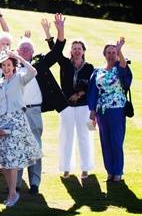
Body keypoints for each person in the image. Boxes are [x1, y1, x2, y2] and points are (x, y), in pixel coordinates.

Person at [15, 18, 66, 195]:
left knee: (35, 146)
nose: (25, 51)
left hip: (34, 111)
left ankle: (35, 183)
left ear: (33, 52)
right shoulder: (11, 67)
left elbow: (58, 50)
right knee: (19, 146)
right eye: (22, 49)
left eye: (28, 49)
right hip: (17, 113)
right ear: (17, 51)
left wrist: (59, 30)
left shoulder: (40, 64)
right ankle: (17, 183)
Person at [0, 51, 42, 207]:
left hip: (17, 121)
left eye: (9, 65)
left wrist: (18, 57)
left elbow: (33, 71)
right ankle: (12, 191)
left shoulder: (19, 79)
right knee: (4, 160)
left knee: (12, 158)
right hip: (1, 122)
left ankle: (13, 193)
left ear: (13, 66)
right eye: (4, 65)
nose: (6, 68)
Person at [53, 17, 95, 179]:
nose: (77, 51)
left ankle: (85, 167)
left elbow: (91, 87)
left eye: (79, 48)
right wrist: (58, 30)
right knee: (66, 136)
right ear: (71, 51)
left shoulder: (89, 67)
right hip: (67, 107)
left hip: (84, 106)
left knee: (85, 136)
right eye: (74, 48)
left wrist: (79, 94)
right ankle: (66, 168)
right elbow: (55, 50)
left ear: (84, 51)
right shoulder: (65, 64)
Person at [88, 37, 132, 183]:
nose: (112, 55)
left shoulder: (119, 68)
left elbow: (124, 69)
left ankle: (118, 171)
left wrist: (120, 51)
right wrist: (92, 113)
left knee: (116, 141)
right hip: (102, 112)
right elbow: (93, 93)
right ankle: (110, 171)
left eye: (114, 52)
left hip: (117, 110)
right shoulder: (98, 72)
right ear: (104, 54)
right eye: (109, 52)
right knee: (105, 142)